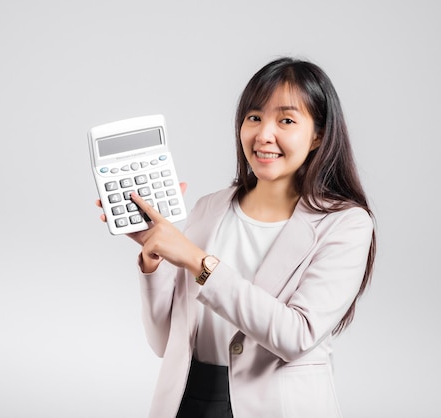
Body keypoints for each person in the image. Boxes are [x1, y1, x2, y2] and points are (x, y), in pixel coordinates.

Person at [95, 57, 376, 418]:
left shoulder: (346, 223)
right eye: (254, 117)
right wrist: (155, 253)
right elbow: (164, 343)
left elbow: (296, 336)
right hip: (187, 400)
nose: (263, 135)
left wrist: (197, 261)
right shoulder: (209, 208)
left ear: (318, 134)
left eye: (286, 120)